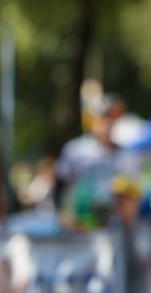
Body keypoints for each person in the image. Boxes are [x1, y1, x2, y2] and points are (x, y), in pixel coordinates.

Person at [54, 93, 139, 229]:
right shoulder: (75, 151)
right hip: (79, 227)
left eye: (112, 117)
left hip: (112, 228)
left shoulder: (126, 156)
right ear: (91, 119)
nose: (108, 122)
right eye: (103, 116)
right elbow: (60, 186)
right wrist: (62, 214)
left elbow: (132, 200)